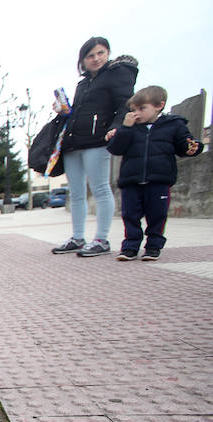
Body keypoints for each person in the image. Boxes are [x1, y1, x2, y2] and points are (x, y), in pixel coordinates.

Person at [51, 37, 138, 257]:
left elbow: (124, 104)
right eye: (90, 56)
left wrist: (117, 126)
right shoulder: (83, 84)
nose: (96, 59)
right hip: (73, 142)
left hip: (97, 140)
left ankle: (101, 238)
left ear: (107, 53)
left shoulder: (117, 74)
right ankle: (78, 237)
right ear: (83, 60)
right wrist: (64, 111)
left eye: (100, 53)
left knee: (100, 188)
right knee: (76, 193)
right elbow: (79, 112)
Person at [106, 86, 203, 261]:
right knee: (130, 215)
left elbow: (184, 145)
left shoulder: (174, 125)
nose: (137, 113)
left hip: (159, 179)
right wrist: (125, 128)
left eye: (142, 108)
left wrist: (194, 147)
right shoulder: (130, 128)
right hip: (131, 180)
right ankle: (130, 246)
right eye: (134, 109)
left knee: (157, 215)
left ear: (159, 105)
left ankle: (153, 246)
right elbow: (115, 149)